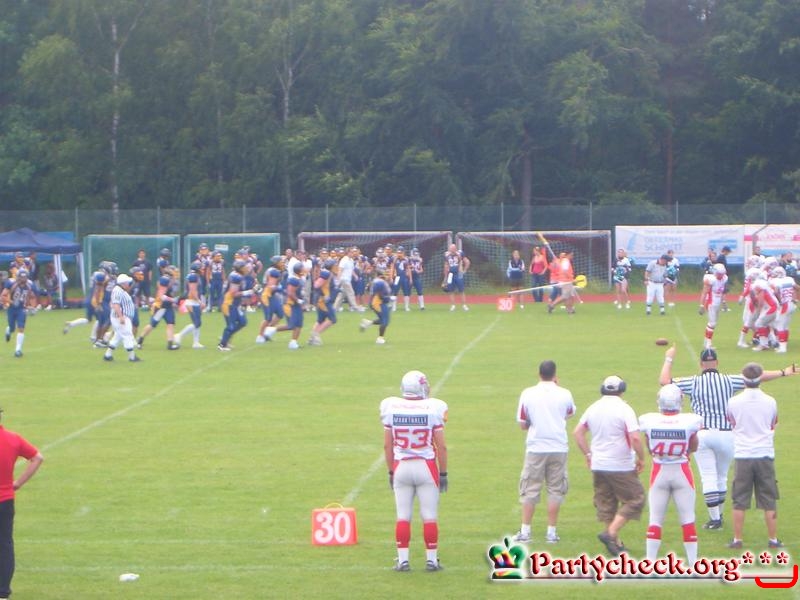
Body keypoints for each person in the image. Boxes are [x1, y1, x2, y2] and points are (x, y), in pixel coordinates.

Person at [659, 345, 797, 530]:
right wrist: (783, 372)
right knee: (722, 476)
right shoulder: (728, 380)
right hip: (726, 434)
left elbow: (664, 382)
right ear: (717, 362)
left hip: (703, 433)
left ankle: (715, 519)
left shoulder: (692, 382)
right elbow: (757, 376)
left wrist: (669, 358)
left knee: (708, 475)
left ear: (701, 364)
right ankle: (720, 514)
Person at [380, 370, 448, 572]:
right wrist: (443, 473)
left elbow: (387, 445)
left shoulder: (391, 407)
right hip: (426, 466)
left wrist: (390, 471)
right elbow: (442, 446)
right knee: (429, 516)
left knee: (403, 515)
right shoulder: (433, 408)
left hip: (401, 466)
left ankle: (403, 561)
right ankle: (431, 561)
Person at [573, 375, 645, 556]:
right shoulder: (625, 409)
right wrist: (641, 458)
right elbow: (635, 438)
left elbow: (578, 433)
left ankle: (615, 544)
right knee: (636, 499)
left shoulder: (593, 408)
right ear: (621, 390)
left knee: (607, 503)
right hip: (620, 464)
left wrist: (588, 454)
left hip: (599, 463)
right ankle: (610, 533)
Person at [512, 360, 575, 544]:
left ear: (539, 374)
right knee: (556, 489)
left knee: (530, 488)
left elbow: (523, 423)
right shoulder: (565, 393)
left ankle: (525, 531)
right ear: (555, 375)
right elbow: (569, 413)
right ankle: (551, 532)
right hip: (558, 446)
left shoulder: (528, 393)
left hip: (536, 447)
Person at [639, 384, 702, 564]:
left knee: (655, 519)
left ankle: (650, 563)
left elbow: (649, 445)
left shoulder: (648, 420)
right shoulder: (690, 421)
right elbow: (694, 446)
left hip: (659, 471)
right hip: (681, 470)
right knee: (688, 519)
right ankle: (693, 564)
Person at [725, 362, 784, 549]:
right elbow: (773, 423)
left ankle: (737, 539)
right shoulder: (770, 401)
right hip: (764, 454)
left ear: (743, 379)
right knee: (769, 499)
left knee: (739, 499)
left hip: (743, 454)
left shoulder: (733, 402)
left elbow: (732, 422)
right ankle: (773, 539)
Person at [0, 407, 44, 599]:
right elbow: (37, 458)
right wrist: (17, 483)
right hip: (5, 500)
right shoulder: (13, 439)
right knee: (4, 545)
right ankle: (2, 591)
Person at [102, 274, 141, 362]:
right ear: (123, 283)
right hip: (121, 317)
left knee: (118, 336)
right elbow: (116, 304)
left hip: (122, 317)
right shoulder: (118, 291)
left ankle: (108, 355)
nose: (129, 284)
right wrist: (121, 317)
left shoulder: (120, 290)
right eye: (127, 282)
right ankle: (132, 356)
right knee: (127, 334)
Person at [0, 269, 38, 358]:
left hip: (21, 309)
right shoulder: (12, 283)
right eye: (21, 277)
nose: (23, 279)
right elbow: (2, 296)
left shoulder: (29, 285)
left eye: (24, 277)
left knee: (21, 328)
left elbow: (32, 297)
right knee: (12, 328)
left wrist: (33, 307)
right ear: (18, 277)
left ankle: (18, 350)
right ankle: (8, 330)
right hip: (12, 308)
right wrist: (12, 302)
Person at [174, 261, 205, 349]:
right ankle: (179, 335)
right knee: (196, 323)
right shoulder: (193, 276)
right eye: (201, 268)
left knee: (197, 322)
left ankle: (196, 342)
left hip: (193, 301)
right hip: (192, 302)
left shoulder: (194, 275)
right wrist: (200, 301)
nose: (202, 269)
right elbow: (192, 290)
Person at [699, 263, 728, 349]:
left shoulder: (724, 278)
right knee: (712, 323)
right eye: (719, 273)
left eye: (722, 273)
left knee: (712, 323)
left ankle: (706, 342)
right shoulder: (711, 279)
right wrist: (701, 305)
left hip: (717, 302)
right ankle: (708, 344)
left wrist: (724, 302)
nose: (721, 275)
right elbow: (704, 293)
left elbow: (723, 291)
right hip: (711, 302)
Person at [360, 268, 392, 344]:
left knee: (382, 319)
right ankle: (380, 338)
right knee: (385, 321)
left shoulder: (375, 281)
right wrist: (387, 298)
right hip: (378, 303)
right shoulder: (379, 282)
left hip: (376, 302)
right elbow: (380, 294)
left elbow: (368, 290)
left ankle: (368, 323)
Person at [333, 247, 363, 313]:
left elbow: (351, 269)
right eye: (351, 252)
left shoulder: (351, 260)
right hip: (344, 279)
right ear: (348, 253)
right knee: (351, 293)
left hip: (348, 279)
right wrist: (338, 280)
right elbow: (340, 270)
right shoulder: (344, 260)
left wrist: (355, 276)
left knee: (341, 295)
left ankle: (334, 308)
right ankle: (356, 307)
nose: (353, 253)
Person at [442, 244, 470, 312]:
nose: (452, 250)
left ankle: (464, 305)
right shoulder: (446, 255)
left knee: (461, 289)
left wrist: (464, 270)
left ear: (455, 248)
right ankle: (453, 305)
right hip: (450, 274)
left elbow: (467, 262)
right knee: (450, 290)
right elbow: (446, 265)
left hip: (458, 274)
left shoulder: (460, 253)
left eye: (453, 248)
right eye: (451, 249)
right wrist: (445, 277)